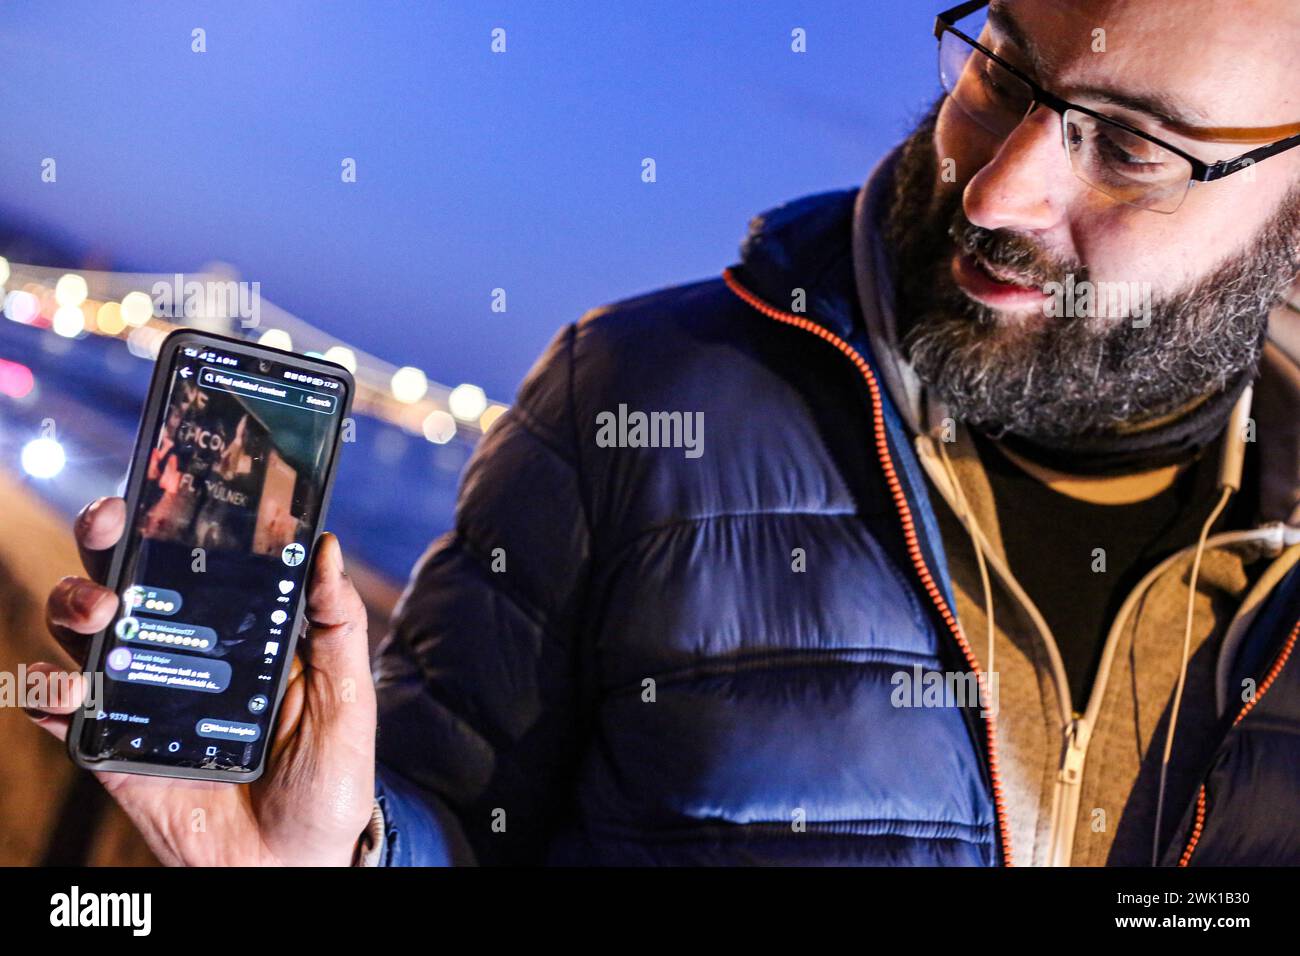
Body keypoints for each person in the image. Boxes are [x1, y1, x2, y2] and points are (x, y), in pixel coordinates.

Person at [27, 0, 1300, 866]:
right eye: (1000, 68)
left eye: (1130, 146)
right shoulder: (630, 390)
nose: (997, 185)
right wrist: (343, 852)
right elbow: (458, 827)